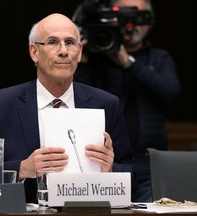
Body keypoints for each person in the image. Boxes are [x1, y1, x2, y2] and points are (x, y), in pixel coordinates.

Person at [0, 13, 133, 203]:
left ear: (79, 51)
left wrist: (110, 170)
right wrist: (22, 169)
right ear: (34, 52)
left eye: (69, 43)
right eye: (52, 42)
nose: (63, 51)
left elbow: (130, 173)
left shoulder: (107, 104)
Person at [73, 0, 181, 202]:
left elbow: (170, 92)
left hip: (149, 165)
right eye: (124, 15)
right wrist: (83, 58)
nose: (132, 23)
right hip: (105, 165)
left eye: (139, 16)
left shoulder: (159, 58)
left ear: (149, 23)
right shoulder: (97, 58)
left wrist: (126, 62)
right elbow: (78, 101)